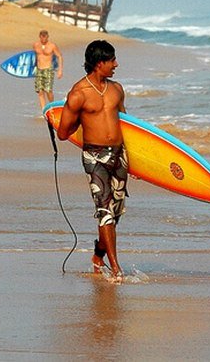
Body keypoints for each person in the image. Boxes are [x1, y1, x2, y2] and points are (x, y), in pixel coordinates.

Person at [56, 39, 127, 281]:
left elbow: (129, 127)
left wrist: (140, 162)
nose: (116, 64)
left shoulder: (117, 89)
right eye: (112, 60)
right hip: (94, 157)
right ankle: (116, 268)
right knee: (104, 211)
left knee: (115, 213)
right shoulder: (78, 94)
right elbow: (63, 133)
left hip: (120, 155)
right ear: (99, 63)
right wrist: (83, 122)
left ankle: (99, 254)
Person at [32, 29, 64, 109]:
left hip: (48, 69)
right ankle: (43, 110)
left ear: (47, 37)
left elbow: (59, 56)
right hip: (39, 69)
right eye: (42, 37)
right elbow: (34, 57)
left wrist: (60, 70)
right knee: (40, 91)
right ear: (39, 37)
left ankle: (52, 106)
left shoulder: (52, 46)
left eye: (45, 37)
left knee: (48, 90)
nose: (43, 39)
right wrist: (32, 68)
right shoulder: (35, 45)